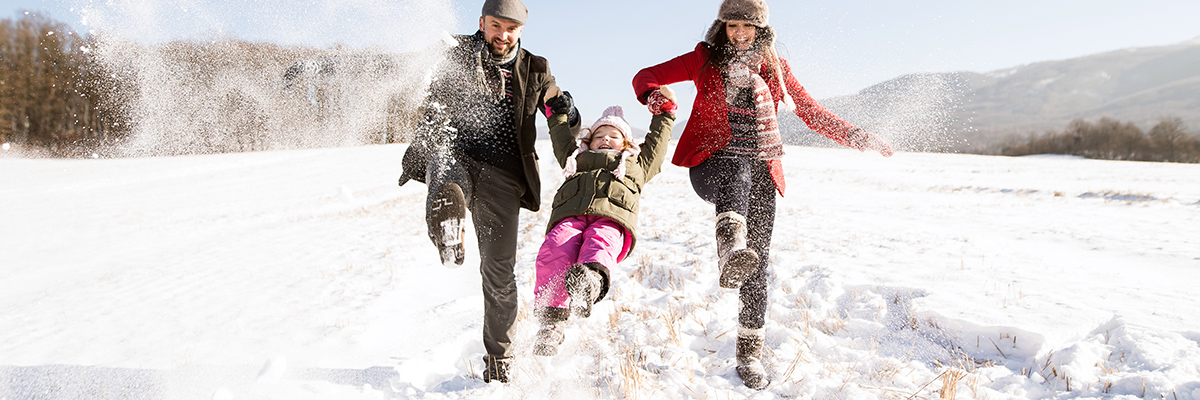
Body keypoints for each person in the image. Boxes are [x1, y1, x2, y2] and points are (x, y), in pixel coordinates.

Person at [631, 0, 894, 390]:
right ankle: (728, 245)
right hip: (711, 166)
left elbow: (809, 111)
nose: (739, 33)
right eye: (732, 25)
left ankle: (749, 352)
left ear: (761, 29)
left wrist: (857, 137)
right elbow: (646, 76)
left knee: (758, 262)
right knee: (739, 167)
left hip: (762, 172)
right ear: (721, 27)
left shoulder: (775, 69)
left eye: (747, 26)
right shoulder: (704, 59)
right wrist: (659, 100)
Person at [396, 0, 580, 384]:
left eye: (511, 28)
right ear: (482, 22)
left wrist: (568, 109)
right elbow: (406, 69)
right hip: (456, 152)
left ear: (521, 31)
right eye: (496, 25)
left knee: (499, 272)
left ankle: (500, 362)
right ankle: (447, 223)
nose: (503, 35)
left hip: (504, 175)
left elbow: (556, 111)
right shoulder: (457, 51)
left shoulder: (536, 68)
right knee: (444, 164)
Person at [530, 89, 677, 357]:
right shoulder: (576, 159)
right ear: (589, 140)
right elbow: (560, 136)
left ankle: (590, 282)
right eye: (599, 135)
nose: (605, 139)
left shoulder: (636, 164)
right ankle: (551, 323)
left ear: (626, 143)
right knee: (555, 246)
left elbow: (656, 144)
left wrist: (665, 113)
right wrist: (555, 111)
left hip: (611, 219)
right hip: (571, 217)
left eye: (613, 136)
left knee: (599, 243)